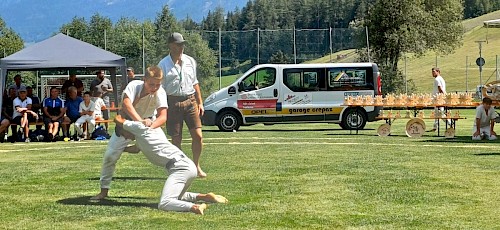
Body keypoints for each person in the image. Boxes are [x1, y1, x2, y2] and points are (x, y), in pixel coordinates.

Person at [107, 114, 228, 214]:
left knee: (165, 203)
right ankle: (205, 197)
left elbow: (117, 118)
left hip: (180, 168)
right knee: (176, 197)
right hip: (186, 166)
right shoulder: (142, 137)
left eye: (123, 134)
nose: (125, 137)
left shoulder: (138, 127)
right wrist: (120, 149)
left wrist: (124, 116)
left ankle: (195, 207)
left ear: (127, 128)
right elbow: (135, 149)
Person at [91, 66, 168, 200]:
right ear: (144, 80)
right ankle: (103, 191)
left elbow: (163, 116)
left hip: (150, 125)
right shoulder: (134, 86)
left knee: (166, 154)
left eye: (157, 84)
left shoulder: (160, 92)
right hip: (127, 123)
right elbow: (126, 105)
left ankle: (177, 190)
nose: (154, 87)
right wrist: (139, 122)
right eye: (151, 84)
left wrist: (148, 127)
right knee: (110, 156)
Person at [158, 32, 207, 178]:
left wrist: (200, 102)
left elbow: (195, 82)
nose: (181, 47)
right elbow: (160, 88)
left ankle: (197, 166)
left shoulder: (190, 61)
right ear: (171, 46)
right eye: (178, 44)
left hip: (190, 100)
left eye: (182, 44)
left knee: (198, 136)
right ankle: (178, 168)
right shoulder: (163, 64)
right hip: (172, 102)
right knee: (176, 138)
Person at [431, 67, 450, 131]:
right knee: (437, 113)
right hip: (440, 99)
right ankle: (435, 127)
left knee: (440, 114)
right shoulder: (441, 78)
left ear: (438, 71)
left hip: (438, 99)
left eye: (434, 71)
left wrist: (441, 96)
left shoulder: (437, 79)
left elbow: (440, 88)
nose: (432, 73)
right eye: (432, 72)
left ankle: (450, 123)